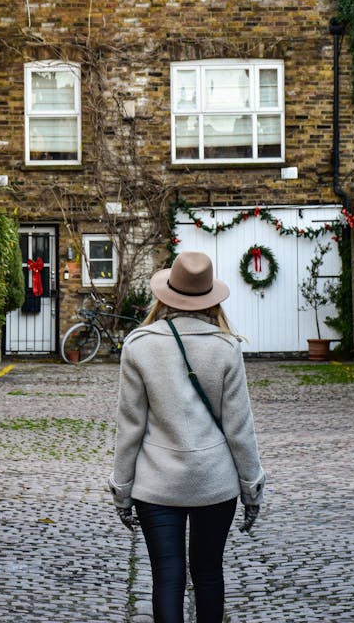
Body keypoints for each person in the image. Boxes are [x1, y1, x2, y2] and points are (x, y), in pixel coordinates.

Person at [108, 251, 265, 623]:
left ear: (166, 294)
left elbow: (130, 425)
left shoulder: (139, 345)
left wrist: (122, 488)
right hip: (215, 482)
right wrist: (251, 488)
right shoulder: (226, 347)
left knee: (167, 577)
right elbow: (239, 427)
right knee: (209, 575)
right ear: (210, 298)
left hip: (157, 484)